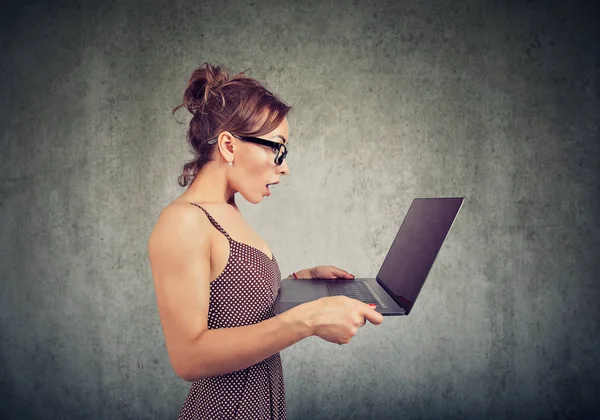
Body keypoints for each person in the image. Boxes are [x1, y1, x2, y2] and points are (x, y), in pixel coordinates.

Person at [147, 62, 383, 419]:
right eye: (278, 149)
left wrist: (299, 288)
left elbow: (234, 310)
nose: (284, 166)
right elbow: (189, 358)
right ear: (228, 145)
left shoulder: (228, 210)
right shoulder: (184, 221)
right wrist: (309, 320)